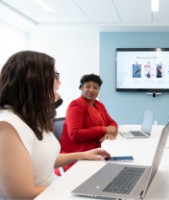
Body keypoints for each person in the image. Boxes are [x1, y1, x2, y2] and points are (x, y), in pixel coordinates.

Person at [0, 51, 111, 199]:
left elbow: (42, 160)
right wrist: (75, 184)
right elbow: (22, 195)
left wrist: (83, 155)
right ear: (35, 81)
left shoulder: (32, 119)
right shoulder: (8, 127)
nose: (59, 82)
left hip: (54, 190)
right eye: (55, 76)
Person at [60, 74, 118, 172]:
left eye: (95, 87)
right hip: (78, 155)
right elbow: (74, 134)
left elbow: (112, 123)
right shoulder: (76, 106)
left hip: (97, 150)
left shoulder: (99, 105)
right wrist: (104, 129)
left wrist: (108, 132)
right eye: (88, 86)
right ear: (81, 88)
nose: (91, 90)